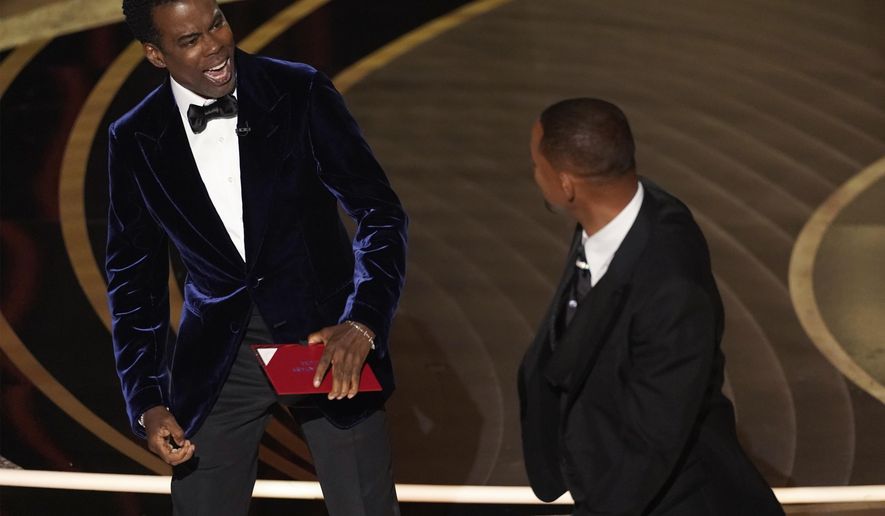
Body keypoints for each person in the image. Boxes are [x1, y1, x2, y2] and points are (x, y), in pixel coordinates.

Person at [106, 0, 407, 514]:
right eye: (190, 40)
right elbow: (134, 283)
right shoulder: (134, 136)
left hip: (324, 348)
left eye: (217, 22)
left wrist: (362, 322)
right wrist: (148, 402)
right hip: (221, 361)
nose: (217, 44)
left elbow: (380, 214)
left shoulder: (299, 89)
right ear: (155, 55)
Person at [517, 98, 783, 515]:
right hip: (609, 473)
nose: (534, 174)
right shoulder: (618, 212)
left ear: (567, 186)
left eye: (537, 165)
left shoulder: (671, 288)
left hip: (669, 500)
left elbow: (653, 441)